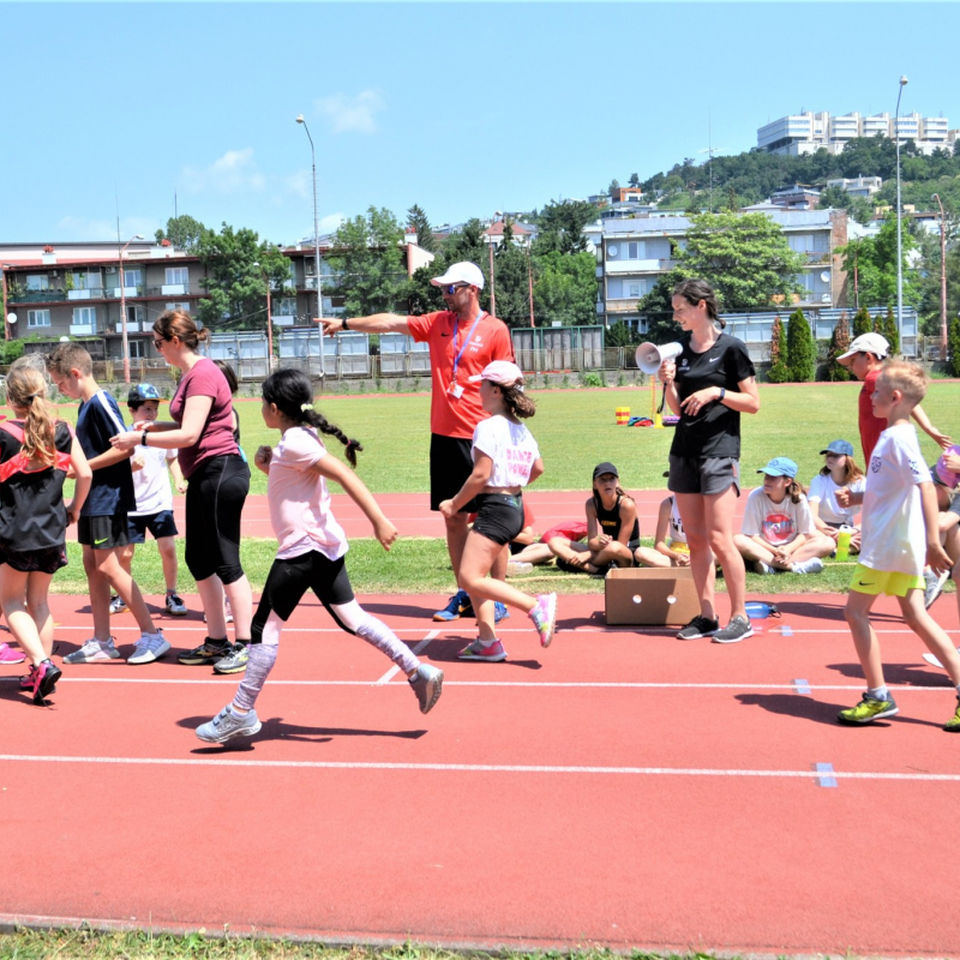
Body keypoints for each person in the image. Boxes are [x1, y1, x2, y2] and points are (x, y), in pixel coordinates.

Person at [195, 369, 443, 744]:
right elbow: (298, 482)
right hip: (324, 547)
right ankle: (416, 671)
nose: (260, 407)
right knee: (352, 618)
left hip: (304, 550)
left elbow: (343, 474)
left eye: (262, 402)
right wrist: (270, 464)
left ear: (274, 408)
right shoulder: (297, 438)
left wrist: (378, 520)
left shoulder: (297, 442)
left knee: (263, 630)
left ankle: (241, 713)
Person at [318, 261, 514, 625]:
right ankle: (467, 592)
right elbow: (390, 321)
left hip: (484, 438)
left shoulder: (495, 330)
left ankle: (496, 595)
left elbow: (509, 383)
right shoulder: (438, 323)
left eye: (450, 289)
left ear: (471, 289)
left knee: (490, 522)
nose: (443, 295)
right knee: (453, 518)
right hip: (444, 437)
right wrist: (345, 324)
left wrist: (508, 431)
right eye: (442, 289)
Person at [109, 309, 253, 674]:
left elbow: (190, 435)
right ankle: (217, 641)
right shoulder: (193, 376)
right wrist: (153, 424)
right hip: (206, 473)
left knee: (225, 560)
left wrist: (140, 436)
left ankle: (247, 643)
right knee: (200, 560)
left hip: (220, 471)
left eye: (158, 343)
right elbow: (189, 424)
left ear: (175, 340)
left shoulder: (203, 373)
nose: (157, 350)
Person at [834, 361, 960, 731]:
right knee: (915, 616)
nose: (869, 397)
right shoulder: (896, 437)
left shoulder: (896, 438)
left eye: (875, 392)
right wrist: (856, 499)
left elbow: (923, 486)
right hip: (896, 544)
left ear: (894, 397)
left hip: (888, 546)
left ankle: (877, 697)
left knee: (855, 613)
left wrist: (934, 543)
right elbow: (893, 488)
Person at [48, 343, 168, 665]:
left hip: (108, 498)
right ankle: (102, 640)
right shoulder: (84, 406)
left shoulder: (101, 401)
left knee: (107, 566)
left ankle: (153, 634)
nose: (59, 389)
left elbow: (126, 448)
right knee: (91, 566)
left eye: (60, 383)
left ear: (75, 374)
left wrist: (83, 468)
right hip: (92, 498)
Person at [658, 277, 760, 643]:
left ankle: (741, 617)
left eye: (680, 309)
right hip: (684, 451)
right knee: (696, 541)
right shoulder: (679, 350)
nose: (676, 316)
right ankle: (707, 616)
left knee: (719, 537)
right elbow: (677, 409)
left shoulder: (732, 348)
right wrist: (667, 382)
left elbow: (753, 403)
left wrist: (717, 391)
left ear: (701, 306)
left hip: (719, 452)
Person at [438, 360, 556, 662]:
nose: (477, 390)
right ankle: (487, 641)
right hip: (514, 506)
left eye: (482, 385)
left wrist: (454, 504)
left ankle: (534, 606)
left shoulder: (487, 427)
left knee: (468, 578)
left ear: (495, 391)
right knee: (477, 573)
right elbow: (538, 468)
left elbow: (480, 475)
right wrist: (512, 485)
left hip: (496, 509)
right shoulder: (521, 429)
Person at [0, 359, 91, 703]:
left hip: (13, 531)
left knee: (10, 601)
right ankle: (40, 672)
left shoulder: (4, 434)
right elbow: (85, 474)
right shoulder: (63, 429)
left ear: (10, 398)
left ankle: (40, 662)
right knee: (39, 601)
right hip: (52, 530)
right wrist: (75, 510)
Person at [109, 383, 188, 618]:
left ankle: (171, 594)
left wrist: (179, 480)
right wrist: (129, 467)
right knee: (125, 554)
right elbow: (112, 466)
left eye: (155, 408)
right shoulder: (124, 436)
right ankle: (123, 595)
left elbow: (172, 459)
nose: (152, 413)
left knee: (168, 549)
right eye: (146, 408)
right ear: (132, 410)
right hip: (131, 505)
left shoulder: (163, 434)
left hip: (159, 502)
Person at [836, 332, 950, 463]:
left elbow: (906, 398)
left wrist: (929, 428)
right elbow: (908, 399)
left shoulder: (874, 378)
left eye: (852, 361)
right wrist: (929, 428)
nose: (850, 367)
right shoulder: (881, 377)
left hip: (884, 458)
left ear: (868, 357)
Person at [550, 462, 668, 574]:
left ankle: (580, 563)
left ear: (617, 482)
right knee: (554, 542)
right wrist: (599, 543)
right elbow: (592, 542)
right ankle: (595, 569)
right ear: (594, 484)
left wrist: (588, 554)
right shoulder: (591, 505)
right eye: (602, 480)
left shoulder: (626, 505)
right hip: (603, 551)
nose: (607, 483)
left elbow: (620, 545)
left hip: (625, 554)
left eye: (611, 479)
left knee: (613, 547)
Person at [733, 457, 834, 574]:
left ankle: (769, 565)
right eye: (766, 476)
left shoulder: (799, 499)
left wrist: (788, 549)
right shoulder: (755, 496)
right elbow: (752, 535)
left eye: (773, 477)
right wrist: (775, 551)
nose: (766, 480)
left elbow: (805, 533)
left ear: (787, 482)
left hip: (793, 549)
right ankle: (793, 567)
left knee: (828, 542)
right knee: (738, 540)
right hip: (764, 548)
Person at [807, 439, 864, 554]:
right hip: (822, 528)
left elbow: (873, 514)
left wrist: (852, 531)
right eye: (828, 455)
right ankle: (844, 547)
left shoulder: (860, 482)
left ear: (848, 459)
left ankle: (838, 548)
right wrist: (830, 533)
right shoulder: (819, 481)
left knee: (876, 533)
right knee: (805, 533)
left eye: (835, 456)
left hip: (847, 528)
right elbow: (812, 515)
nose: (830, 458)